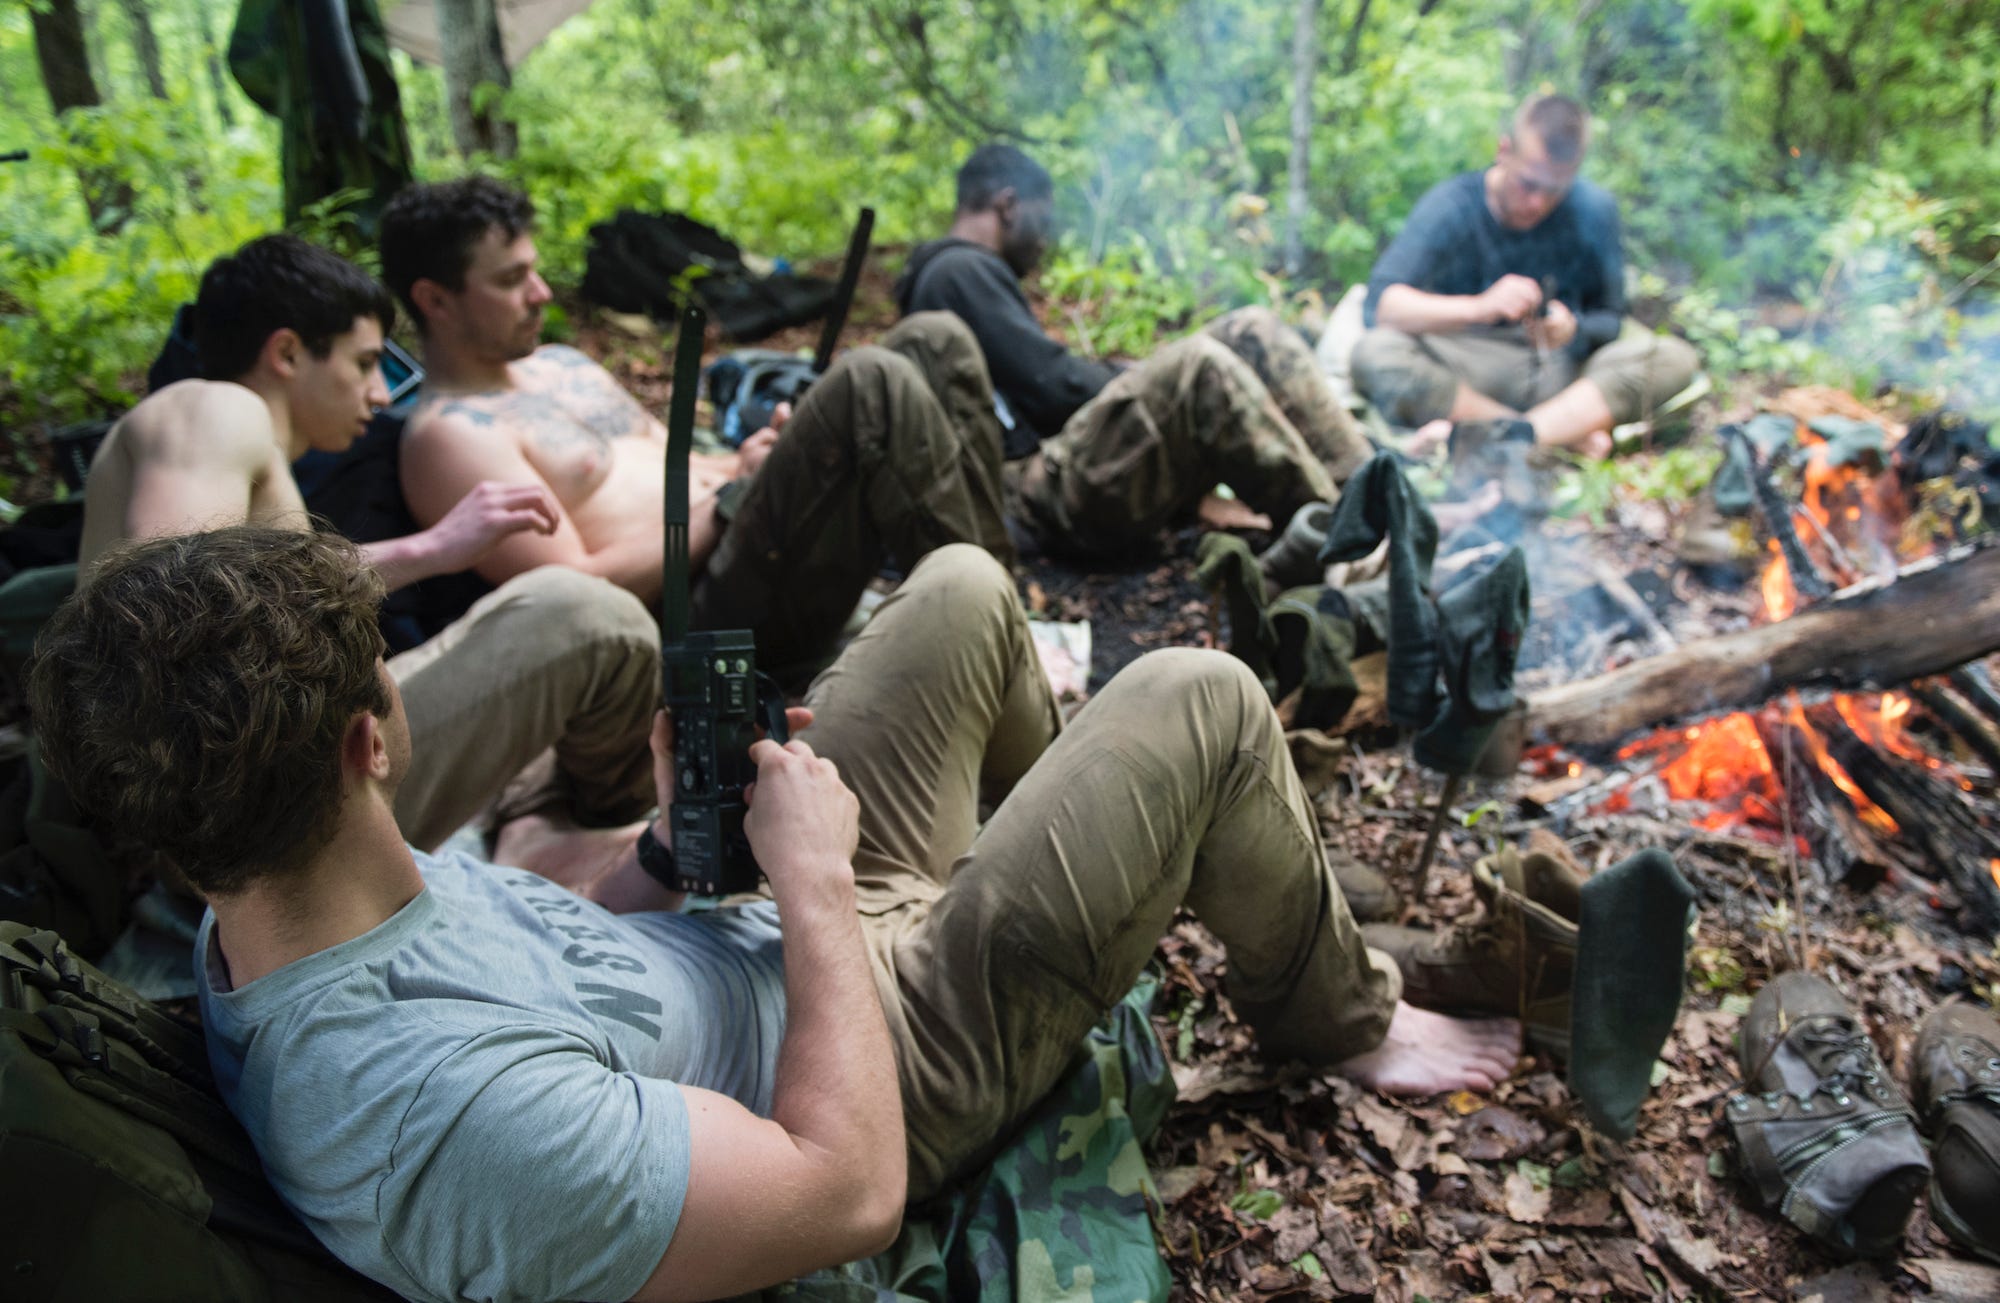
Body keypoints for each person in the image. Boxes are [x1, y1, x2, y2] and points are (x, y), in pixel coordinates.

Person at [31, 526, 1522, 1303]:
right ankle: (1347, 1016)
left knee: (958, 588)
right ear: (373, 739)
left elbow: (577, 966)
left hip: (774, 935)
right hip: (884, 1052)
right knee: (1198, 695)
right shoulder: (432, 1122)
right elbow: (846, 1189)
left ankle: (1139, 850)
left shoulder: (291, 902)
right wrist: (810, 879)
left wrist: (683, 859)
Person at [77, 233, 659, 856]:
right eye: (363, 363)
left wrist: (433, 547)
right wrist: (432, 548)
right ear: (288, 352)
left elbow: (246, 588)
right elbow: (172, 603)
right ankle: (607, 833)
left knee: (550, 603)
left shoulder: (239, 444)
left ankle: (552, 822)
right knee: (591, 617)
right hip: (247, 810)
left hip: (277, 770)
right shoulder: (215, 409)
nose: (382, 393)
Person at [384, 176, 1014, 676]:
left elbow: (675, 468)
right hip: (695, 619)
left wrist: (762, 456)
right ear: (434, 301)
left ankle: (1001, 617)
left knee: (936, 339)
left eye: (534, 269)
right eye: (511, 280)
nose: (543, 293)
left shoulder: (560, 364)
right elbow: (574, 595)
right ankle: (994, 649)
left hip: (743, 544)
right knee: (871, 381)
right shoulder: (450, 437)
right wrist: (730, 502)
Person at [895, 143, 1379, 560]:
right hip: (1032, 495)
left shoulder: (952, 276)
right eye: (1043, 221)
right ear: (1007, 206)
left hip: (1050, 479)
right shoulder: (958, 272)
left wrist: (1137, 376)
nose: (1045, 242)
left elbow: (1035, 383)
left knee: (1246, 330)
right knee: (1198, 367)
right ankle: (1345, 543)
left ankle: (1370, 493)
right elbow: (1055, 387)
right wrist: (1147, 378)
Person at [1350, 94, 1700, 456]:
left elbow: (1610, 318)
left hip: (1562, 371)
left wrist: (1573, 328)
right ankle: (1553, 436)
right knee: (1376, 355)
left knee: (1673, 358)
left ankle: (1515, 437)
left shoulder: (1594, 209)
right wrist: (1480, 307)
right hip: (1468, 367)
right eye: (1528, 184)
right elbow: (1380, 306)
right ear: (1505, 151)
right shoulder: (1452, 205)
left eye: (1554, 190)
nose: (1538, 203)